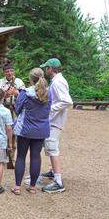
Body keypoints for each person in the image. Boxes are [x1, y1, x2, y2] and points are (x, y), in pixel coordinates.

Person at [11, 68, 51, 195]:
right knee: (35, 156)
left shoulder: (26, 92)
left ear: (31, 79)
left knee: (21, 156)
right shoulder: (49, 93)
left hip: (25, 129)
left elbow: (17, 110)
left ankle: (17, 187)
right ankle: (32, 187)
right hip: (41, 130)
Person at [39, 58, 73, 193]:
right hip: (53, 120)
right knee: (51, 146)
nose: (45, 70)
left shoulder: (58, 83)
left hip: (54, 121)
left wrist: (50, 109)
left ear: (51, 69)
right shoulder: (57, 81)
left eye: (46, 68)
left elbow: (67, 101)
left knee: (52, 148)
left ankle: (58, 182)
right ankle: (53, 171)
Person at [0, 60, 25, 168]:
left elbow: (24, 97)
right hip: (3, 110)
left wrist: (16, 93)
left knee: (14, 134)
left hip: (15, 110)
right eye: (7, 71)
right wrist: (6, 94)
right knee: (3, 133)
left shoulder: (19, 82)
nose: (9, 73)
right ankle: (2, 156)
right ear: (4, 72)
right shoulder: (0, 83)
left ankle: (12, 158)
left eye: (11, 71)